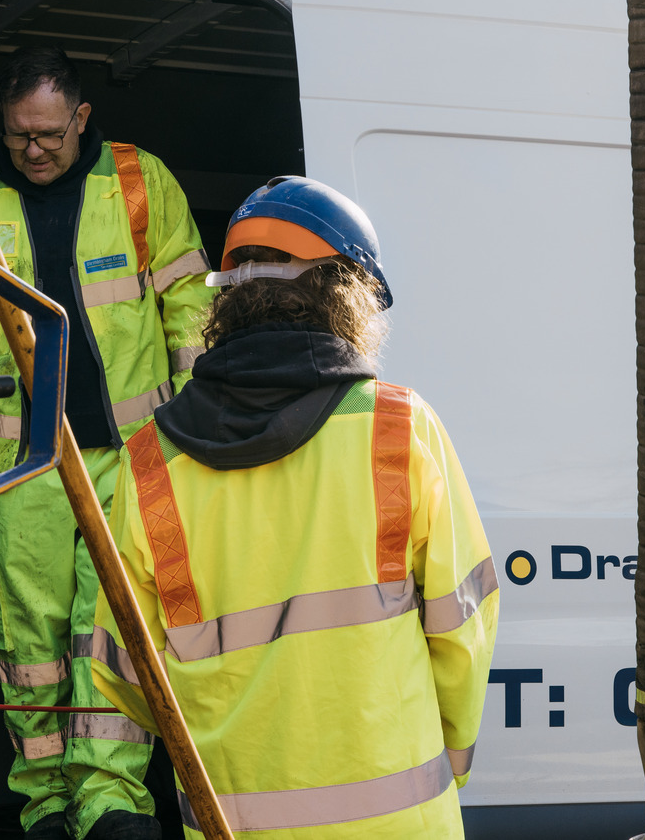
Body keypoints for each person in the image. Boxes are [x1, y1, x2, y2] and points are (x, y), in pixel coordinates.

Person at [89, 176, 499, 838]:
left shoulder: (148, 462)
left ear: (231, 301)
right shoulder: (399, 428)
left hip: (233, 821)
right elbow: (463, 630)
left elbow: (122, 669)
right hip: (400, 820)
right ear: (348, 294)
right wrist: (450, 753)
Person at [0, 46, 214, 840]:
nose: (33, 150)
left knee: (115, 629)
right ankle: (46, 804)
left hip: (133, 454)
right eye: (16, 137)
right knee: (28, 639)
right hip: (22, 463)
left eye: (47, 134)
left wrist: (198, 418)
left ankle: (109, 800)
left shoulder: (141, 182)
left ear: (81, 118)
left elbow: (187, 306)